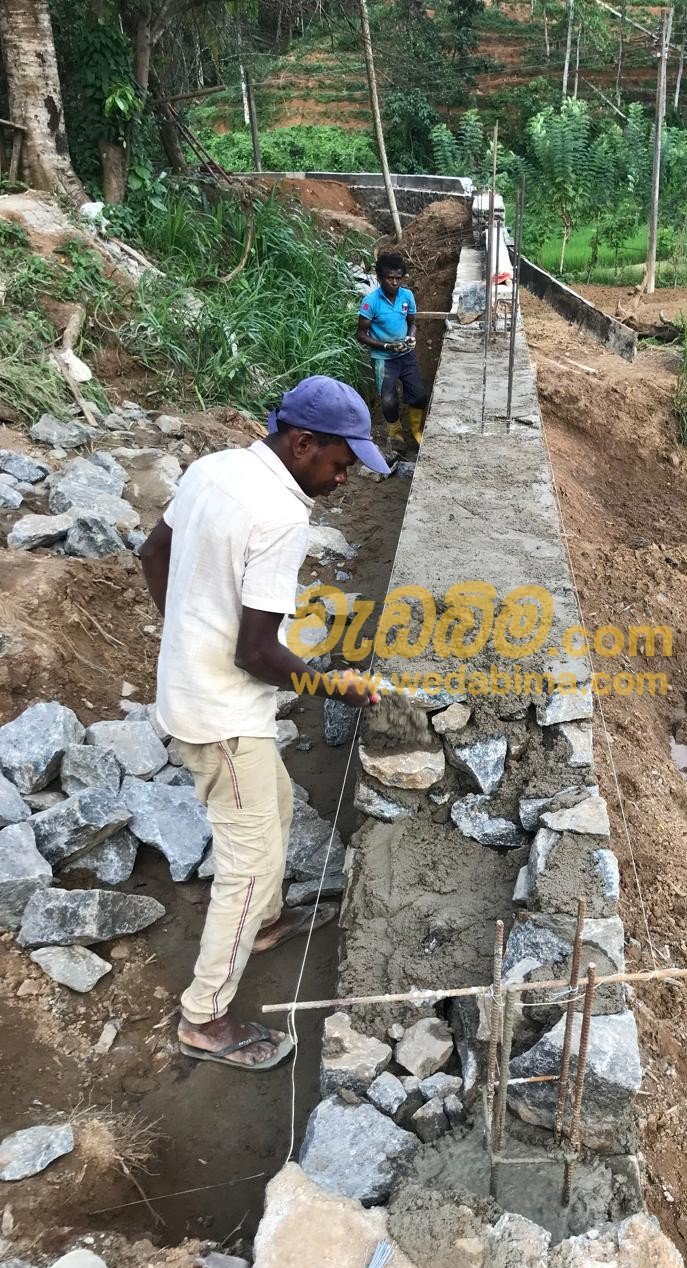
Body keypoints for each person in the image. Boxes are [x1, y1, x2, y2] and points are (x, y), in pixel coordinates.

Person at [139, 375, 389, 1071]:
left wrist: (186, 634)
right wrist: (331, 682)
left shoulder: (213, 469)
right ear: (302, 443)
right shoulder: (280, 514)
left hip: (201, 693)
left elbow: (151, 555)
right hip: (220, 714)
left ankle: (269, 924)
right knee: (248, 865)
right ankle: (204, 1016)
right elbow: (257, 652)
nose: (343, 479)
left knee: (274, 803)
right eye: (340, 463)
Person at [356, 250, 428, 450]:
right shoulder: (371, 302)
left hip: (406, 354)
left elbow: (412, 322)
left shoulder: (407, 296)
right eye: (389, 278)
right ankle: (395, 434)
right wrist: (386, 346)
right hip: (383, 358)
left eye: (398, 278)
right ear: (380, 278)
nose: (394, 283)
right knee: (388, 400)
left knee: (419, 395)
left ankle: (415, 431)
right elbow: (361, 334)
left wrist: (410, 337)